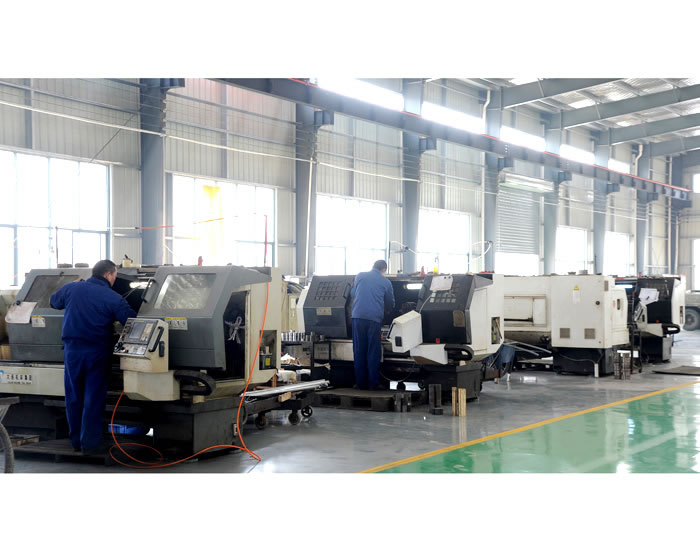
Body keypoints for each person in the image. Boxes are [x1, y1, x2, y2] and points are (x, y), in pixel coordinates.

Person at [50, 260, 136, 454]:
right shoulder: (113, 298)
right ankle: (89, 443)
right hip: (97, 353)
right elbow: (132, 321)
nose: (114, 279)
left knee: (74, 396)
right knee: (93, 397)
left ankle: (76, 442)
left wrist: (70, 285)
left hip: (72, 352)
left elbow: (54, 301)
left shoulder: (72, 288)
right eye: (115, 276)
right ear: (108, 275)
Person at [350, 260, 395, 390]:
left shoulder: (360, 276)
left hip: (358, 317)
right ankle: (373, 384)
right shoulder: (386, 282)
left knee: (359, 350)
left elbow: (353, 294)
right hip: (374, 319)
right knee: (373, 351)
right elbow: (390, 302)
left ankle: (360, 383)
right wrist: (389, 311)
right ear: (384, 269)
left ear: (373, 266)